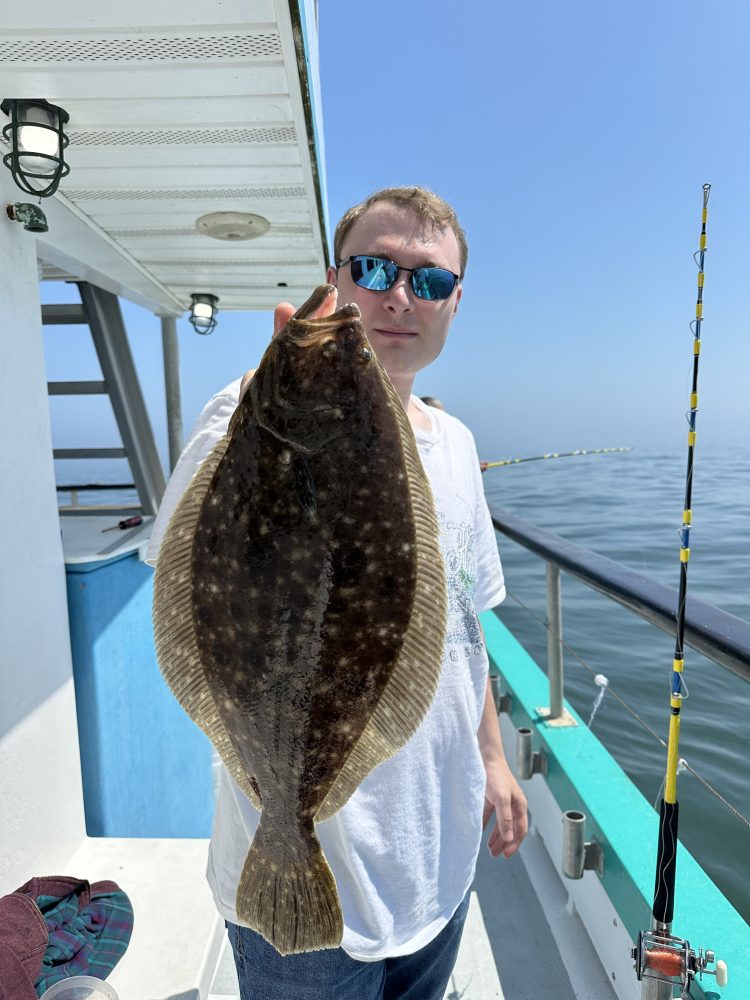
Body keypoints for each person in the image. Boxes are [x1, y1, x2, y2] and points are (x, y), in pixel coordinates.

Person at [146, 186, 528, 1000]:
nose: (397, 295)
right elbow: (184, 576)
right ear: (336, 278)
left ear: (456, 302)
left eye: (427, 280)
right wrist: (267, 409)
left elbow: (462, 623)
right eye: (373, 267)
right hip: (305, 874)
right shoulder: (238, 416)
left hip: (440, 857)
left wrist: (493, 758)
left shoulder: (456, 445)